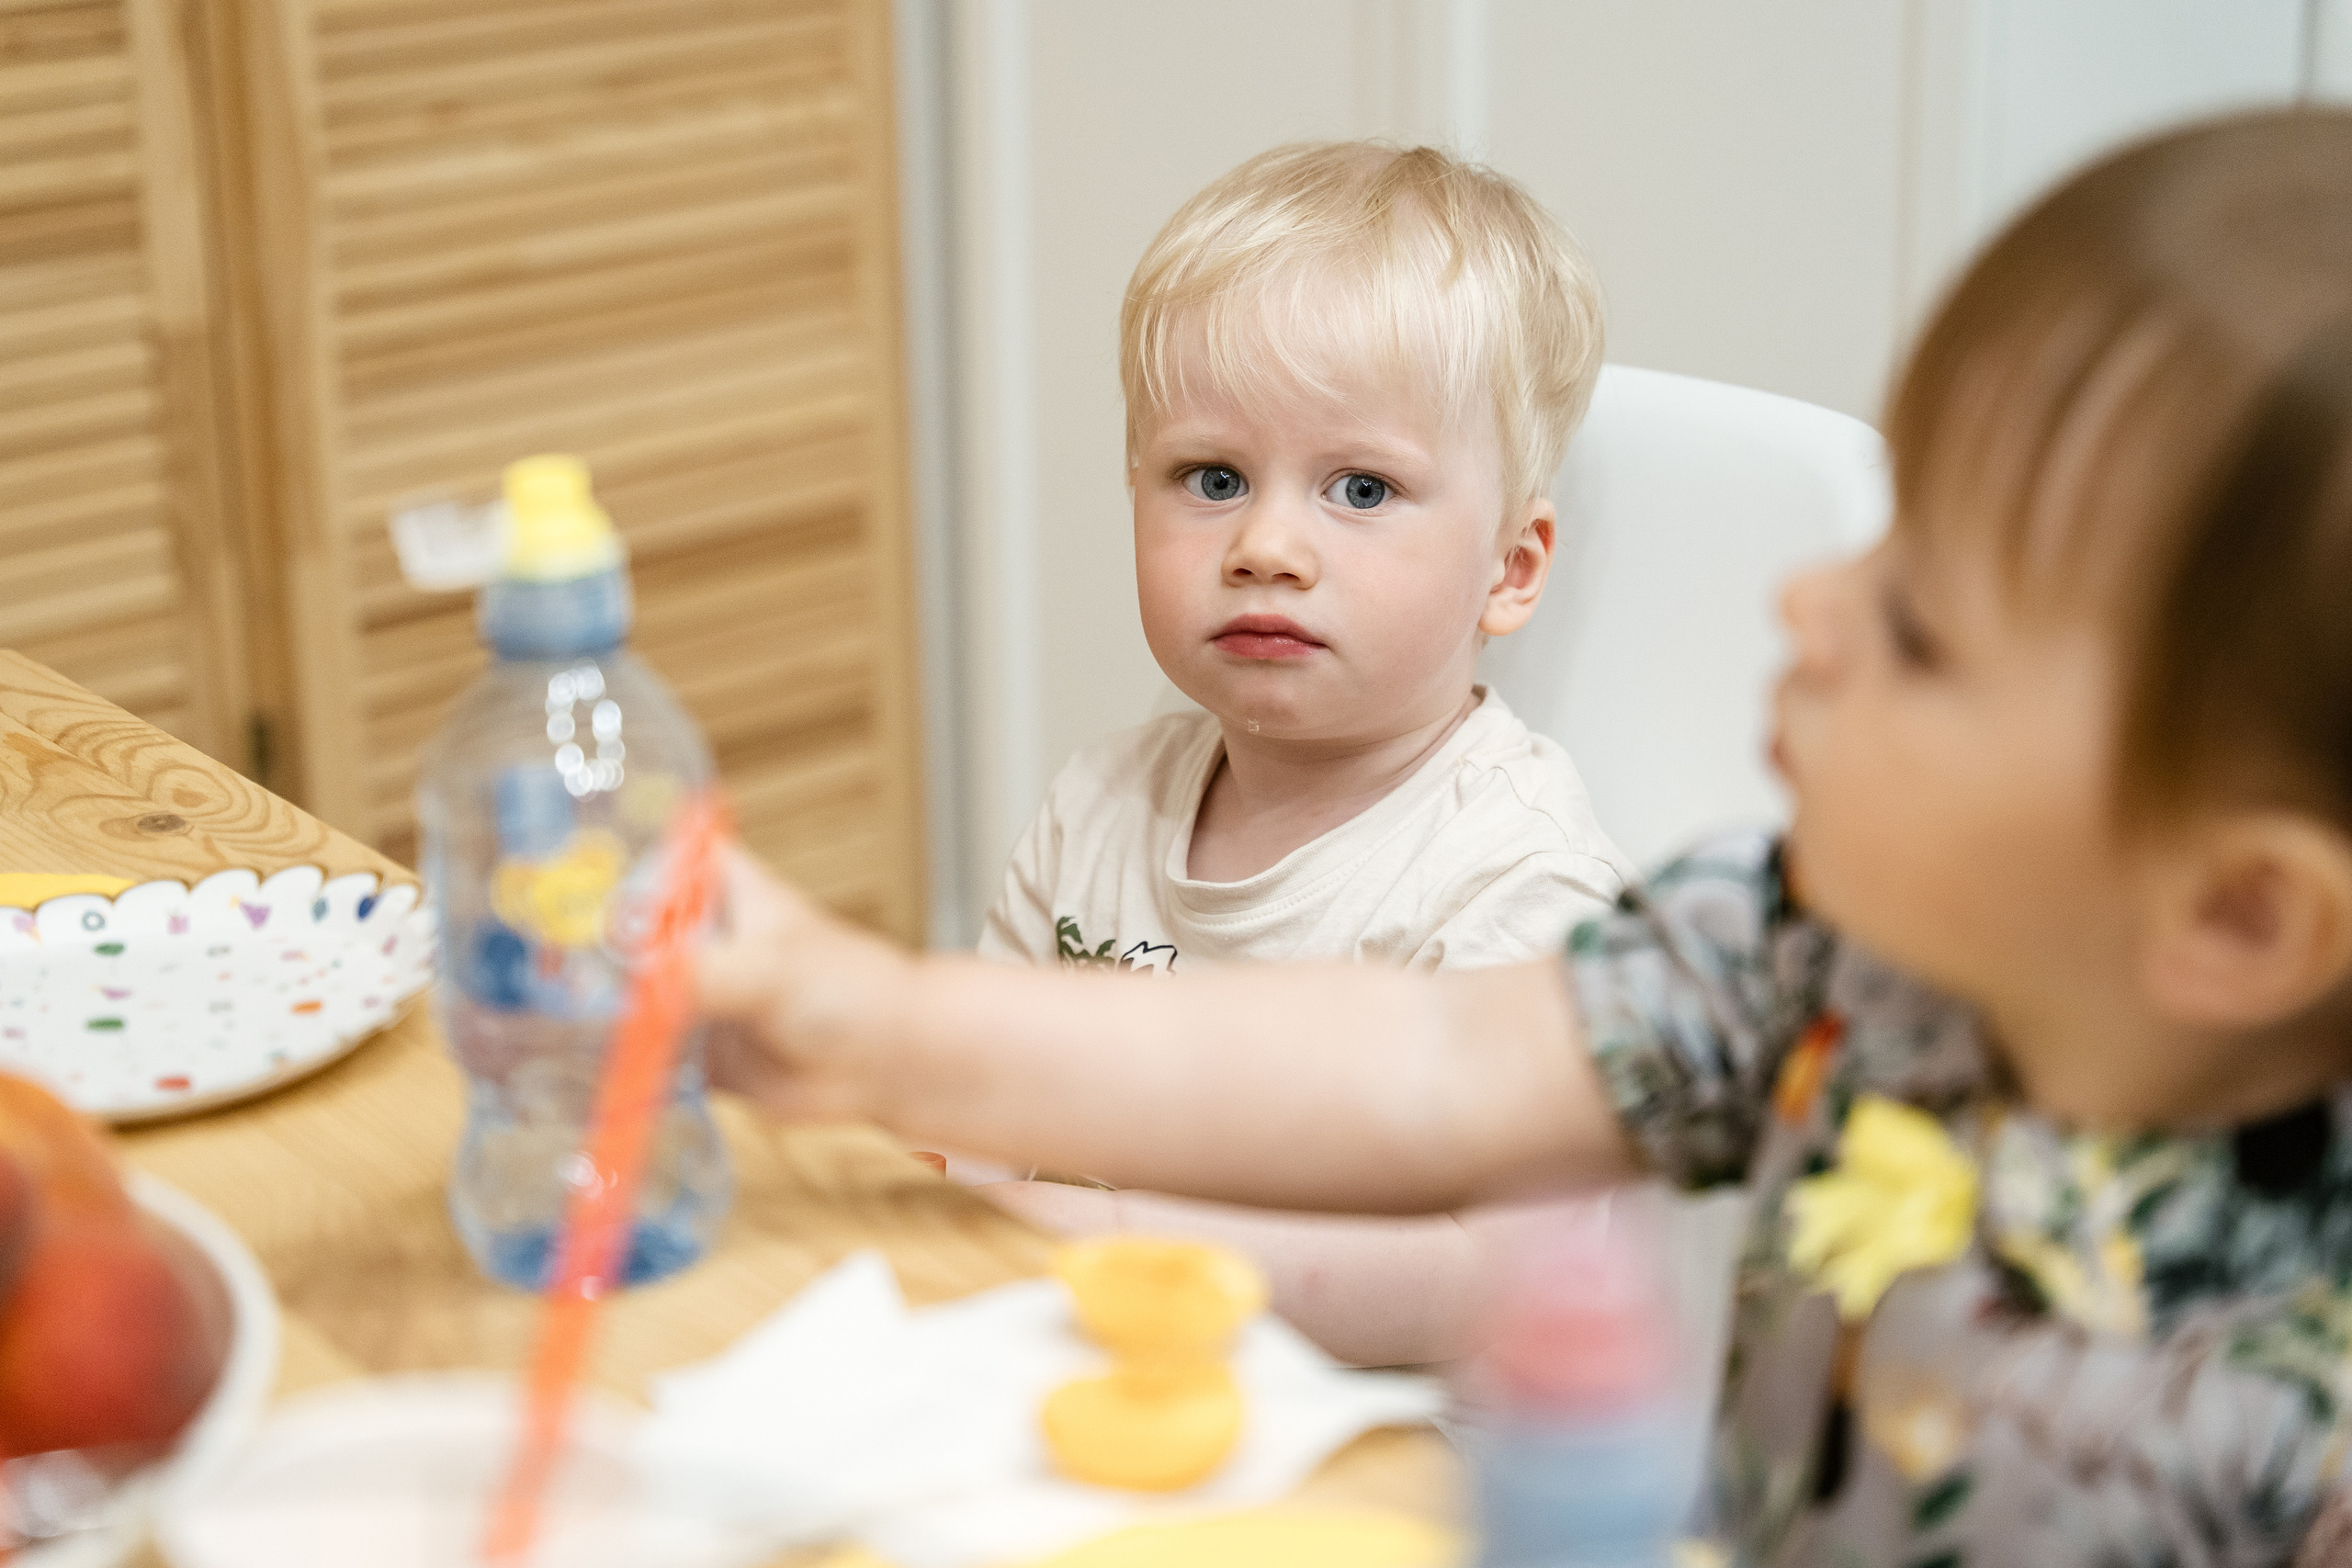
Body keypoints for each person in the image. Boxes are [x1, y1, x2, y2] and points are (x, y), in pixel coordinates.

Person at [700, 109, 2352, 1565]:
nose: (1806, 598)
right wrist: (866, 1021)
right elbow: (1415, 1065)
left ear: (2237, 917)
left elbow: (1475, 1266)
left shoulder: (2312, 1382)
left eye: (1920, 629)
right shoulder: (1780, 951)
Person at [961, 141, 1623, 1366]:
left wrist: (1118, 1237)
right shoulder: (1099, 804)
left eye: (1361, 491)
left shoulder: (1514, 879)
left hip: (1384, 1466)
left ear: (1509, 570)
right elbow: (980, 1110)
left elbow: (1494, 1281)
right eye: (1211, 477)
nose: (1267, 543)